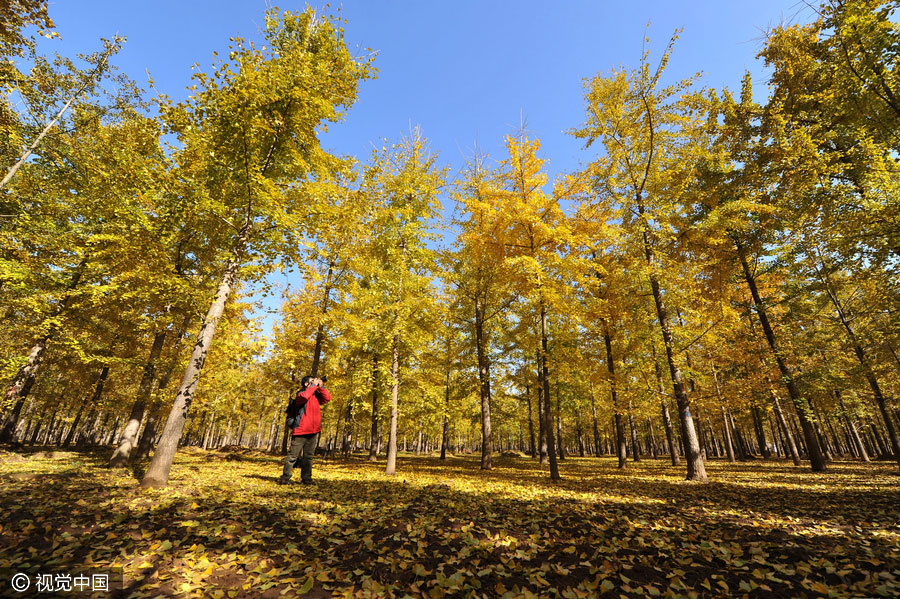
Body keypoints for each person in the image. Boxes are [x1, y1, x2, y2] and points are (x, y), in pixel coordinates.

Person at [279, 375, 331, 485]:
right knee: (292, 456)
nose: (315, 383)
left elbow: (327, 398)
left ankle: (306, 479)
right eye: (312, 381)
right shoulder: (301, 394)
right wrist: (313, 386)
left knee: (308, 457)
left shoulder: (316, 396)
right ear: (306, 384)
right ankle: (285, 478)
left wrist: (321, 387)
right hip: (301, 430)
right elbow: (304, 397)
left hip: (313, 431)